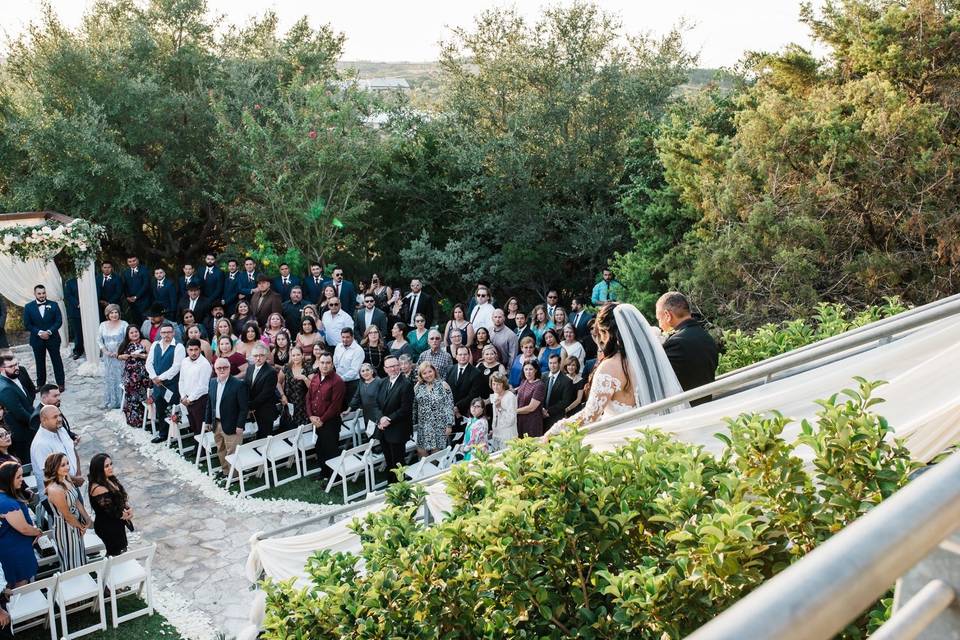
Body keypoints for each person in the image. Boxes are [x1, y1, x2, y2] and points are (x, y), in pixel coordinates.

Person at [546, 302, 685, 437]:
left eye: (600, 333)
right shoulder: (648, 360)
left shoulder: (609, 367)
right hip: (649, 435)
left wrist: (555, 429)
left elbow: (589, 416)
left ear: (606, 332)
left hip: (619, 440)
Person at [657, 292, 720, 405]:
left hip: (687, 411)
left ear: (667, 315)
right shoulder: (706, 337)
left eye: (659, 319)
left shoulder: (675, 344)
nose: (659, 325)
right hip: (707, 403)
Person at [45, 452, 91, 571]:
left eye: (67, 463)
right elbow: (66, 515)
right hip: (65, 528)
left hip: (75, 524)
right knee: (72, 562)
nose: (67, 467)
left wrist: (87, 519)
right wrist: (81, 527)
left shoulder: (66, 478)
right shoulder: (54, 489)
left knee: (80, 557)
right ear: (54, 467)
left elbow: (76, 501)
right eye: (63, 465)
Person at [0, 461, 42, 587]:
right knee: (21, 587)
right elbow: (23, 528)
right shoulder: (7, 503)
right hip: (16, 552)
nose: (21, 480)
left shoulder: (6, 497)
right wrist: (38, 531)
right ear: (8, 479)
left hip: (16, 548)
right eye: (18, 477)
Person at [204, 358, 249, 475]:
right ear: (215, 369)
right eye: (219, 368)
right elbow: (210, 403)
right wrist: (208, 421)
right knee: (221, 449)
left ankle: (234, 475)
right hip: (216, 423)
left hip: (233, 425)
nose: (222, 370)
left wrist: (240, 425)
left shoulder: (239, 384)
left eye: (225, 367)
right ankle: (225, 471)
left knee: (232, 452)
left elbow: (244, 408)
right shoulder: (212, 382)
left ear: (229, 368)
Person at [373, 356, 414, 483]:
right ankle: (390, 484)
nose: (394, 368)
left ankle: (400, 487)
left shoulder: (406, 384)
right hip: (384, 429)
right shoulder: (384, 382)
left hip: (398, 429)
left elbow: (405, 409)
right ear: (385, 369)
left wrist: (388, 419)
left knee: (398, 462)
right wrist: (380, 419)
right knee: (388, 459)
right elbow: (376, 404)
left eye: (396, 365)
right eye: (390, 366)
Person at [307, 353, 345, 480]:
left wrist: (321, 420)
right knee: (320, 448)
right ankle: (324, 473)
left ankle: (335, 477)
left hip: (330, 422)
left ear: (332, 364)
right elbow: (308, 398)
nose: (325, 365)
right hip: (316, 421)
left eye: (328, 363)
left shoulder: (337, 381)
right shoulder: (315, 378)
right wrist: (311, 416)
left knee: (331, 450)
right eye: (322, 362)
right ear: (319, 363)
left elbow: (335, 405)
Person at [30, 405, 81, 499]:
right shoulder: (40, 444)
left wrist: (78, 473)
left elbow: (72, 449)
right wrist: (75, 479)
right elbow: (50, 473)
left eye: (59, 415)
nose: (59, 419)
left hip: (72, 485)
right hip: (57, 495)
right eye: (55, 417)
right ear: (44, 420)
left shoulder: (61, 430)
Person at [145, 323, 185, 443]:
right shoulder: (155, 345)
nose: (166, 335)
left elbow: (176, 367)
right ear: (160, 334)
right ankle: (163, 434)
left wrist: (160, 378)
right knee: (161, 409)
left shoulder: (179, 347)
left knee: (172, 409)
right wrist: (153, 377)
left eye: (168, 332)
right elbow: (149, 363)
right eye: (163, 332)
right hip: (157, 384)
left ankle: (176, 435)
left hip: (172, 385)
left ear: (173, 333)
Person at [87, 453, 132, 556]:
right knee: (114, 552)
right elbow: (111, 510)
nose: (110, 468)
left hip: (116, 522)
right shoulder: (98, 488)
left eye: (111, 464)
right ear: (98, 469)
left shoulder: (109, 479)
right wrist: (125, 515)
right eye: (106, 466)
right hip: (107, 526)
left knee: (122, 548)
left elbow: (121, 496)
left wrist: (128, 508)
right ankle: (109, 571)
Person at [23, 284, 65, 390]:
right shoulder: (28, 307)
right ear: (35, 294)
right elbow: (27, 324)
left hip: (53, 338)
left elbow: (59, 321)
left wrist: (49, 332)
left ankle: (60, 383)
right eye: (39, 293)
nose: (42, 295)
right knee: (39, 362)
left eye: (43, 293)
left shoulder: (54, 305)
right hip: (37, 339)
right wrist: (40, 332)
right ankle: (40, 384)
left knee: (57, 361)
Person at [413, 361, 454, 457]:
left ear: (434, 371)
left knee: (436, 454)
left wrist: (449, 425)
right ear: (421, 375)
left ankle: (435, 471)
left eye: (430, 371)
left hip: (440, 425)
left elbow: (449, 406)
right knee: (420, 451)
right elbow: (414, 407)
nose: (428, 375)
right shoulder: (418, 387)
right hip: (424, 425)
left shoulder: (443, 385)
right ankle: (425, 471)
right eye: (424, 373)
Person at [0, 355, 36, 462]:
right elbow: (19, 413)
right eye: (11, 366)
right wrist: (36, 421)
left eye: (16, 364)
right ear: (1, 369)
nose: (16, 368)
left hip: (29, 422)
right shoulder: (5, 388)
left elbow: (30, 391)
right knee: (28, 459)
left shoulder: (19, 374)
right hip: (21, 432)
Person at [446, 346, 487, 436]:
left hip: (466, 412)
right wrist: (451, 407)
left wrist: (457, 407)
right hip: (450, 412)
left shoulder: (476, 373)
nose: (463, 357)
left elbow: (473, 395)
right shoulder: (450, 369)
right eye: (460, 354)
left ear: (469, 356)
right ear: (456, 356)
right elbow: (446, 390)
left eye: (465, 354)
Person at [118, 325, 151, 428]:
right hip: (129, 375)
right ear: (128, 335)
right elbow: (118, 355)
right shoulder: (126, 344)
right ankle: (134, 419)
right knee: (131, 397)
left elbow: (151, 356)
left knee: (142, 397)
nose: (134, 334)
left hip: (142, 376)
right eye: (131, 333)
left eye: (136, 332)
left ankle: (146, 419)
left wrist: (141, 356)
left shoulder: (145, 342)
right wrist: (121, 356)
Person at [97, 304, 128, 409]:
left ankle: (122, 402)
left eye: (116, 312)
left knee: (121, 377)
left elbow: (127, 340)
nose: (114, 315)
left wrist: (119, 352)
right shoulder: (102, 325)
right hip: (108, 357)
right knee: (110, 377)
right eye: (111, 313)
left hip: (120, 356)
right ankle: (111, 400)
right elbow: (99, 340)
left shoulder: (124, 324)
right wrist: (105, 352)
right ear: (107, 314)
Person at [179, 339, 212, 436]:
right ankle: (197, 447)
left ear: (200, 349)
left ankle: (202, 450)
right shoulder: (184, 361)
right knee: (192, 425)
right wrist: (183, 396)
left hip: (200, 400)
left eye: (196, 349)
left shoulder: (204, 364)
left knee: (201, 427)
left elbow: (203, 387)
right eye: (191, 350)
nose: (193, 352)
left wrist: (189, 399)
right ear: (187, 350)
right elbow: (181, 380)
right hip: (186, 399)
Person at [246, 344, 279, 439]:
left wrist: (251, 406)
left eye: (261, 355)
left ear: (266, 356)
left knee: (264, 438)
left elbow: (266, 394)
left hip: (265, 411)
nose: (258, 358)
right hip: (253, 411)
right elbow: (246, 386)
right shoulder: (250, 368)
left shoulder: (271, 372)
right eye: (256, 356)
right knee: (256, 437)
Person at [541, 354, 575, 432]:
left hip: (555, 417)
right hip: (541, 416)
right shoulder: (543, 376)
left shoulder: (567, 381)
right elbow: (539, 395)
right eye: (550, 363)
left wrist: (548, 411)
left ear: (560, 364)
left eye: (555, 363)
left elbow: (565, 402)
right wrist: (542, 410)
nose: (552, 366)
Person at [278, 347, 310, 427]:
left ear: (302, 355)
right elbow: (278, 382)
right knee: (287, 428)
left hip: (302, 406)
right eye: (293, 355)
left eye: (298, 355)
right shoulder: (286, 367)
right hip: (288, 403)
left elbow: (312, 387)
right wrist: (282, 395)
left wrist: (304, 378)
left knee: (300, 430)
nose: (296, 357)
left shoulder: (308, 368)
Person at [334, 328, 364, 406]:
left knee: (351, 407)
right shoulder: (338, 346)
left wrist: (340, 379)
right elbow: (335, 363)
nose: (345, 339)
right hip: (339, 382)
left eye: (347, 337)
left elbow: (354, 371)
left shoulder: (358, 350)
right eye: (343, 337)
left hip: (352, 384)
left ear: (352, 337)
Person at [515, 362, 546, 438]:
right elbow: (518, 395)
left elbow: (531, 407)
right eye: (526, 369)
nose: (528, 372)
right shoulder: (524, 381)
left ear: (535, 370)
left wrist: (514, 411)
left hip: (532, 422)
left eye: (530, 369)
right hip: (520, 419)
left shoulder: (539, 385)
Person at [488, 372, 518, 451]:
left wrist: (500, 408)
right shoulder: (495, 394)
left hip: (508, 434)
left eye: (498, 384)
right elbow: (495, 417)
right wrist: (493, 429)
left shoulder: (510, 396)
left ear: (503, 384)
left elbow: (511, 419)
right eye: (494, 384)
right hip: (496, 434)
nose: (495, 387)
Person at [122, 255, 151, 326]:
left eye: (134, 261)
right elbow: (125, 286)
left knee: (145, 322)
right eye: (130, 261)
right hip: (132, 302)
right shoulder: (126, 272)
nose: (132, 263)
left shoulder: (144, 270)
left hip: (144, 301)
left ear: (137, 260)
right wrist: (127, 297)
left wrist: (136, 297)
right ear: (127, 262)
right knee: (136, 321)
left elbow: (146, 285)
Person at [64, 276, 84, 359]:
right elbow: (68, 295)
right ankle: (78, 351)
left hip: (90, 311)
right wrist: (78, 304)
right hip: (75, 311)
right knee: (78, 332)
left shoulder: (91, 281)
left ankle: (93, 350)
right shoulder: (70, 282)